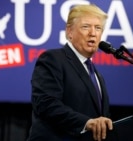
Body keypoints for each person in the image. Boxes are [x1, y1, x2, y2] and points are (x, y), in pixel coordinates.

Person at [27, 4, 113, 141]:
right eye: (86, 27)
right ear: (69, 32)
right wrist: (86, 123)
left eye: (98, 28)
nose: (93, 33)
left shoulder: (97, 76)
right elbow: (46, 104)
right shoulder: (53, 59)